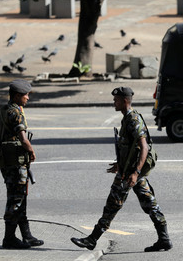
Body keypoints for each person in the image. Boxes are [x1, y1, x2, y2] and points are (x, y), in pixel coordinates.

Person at [71, 87, 172, 252]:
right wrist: (120, 163)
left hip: (130, 174)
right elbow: (130, 148)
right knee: (150, 204)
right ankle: (164, 239)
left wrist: (135, 173)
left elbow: (144, 147)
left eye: (116, 100)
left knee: (112, 205)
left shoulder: (133, 120)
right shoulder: (127, 118)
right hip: (129, 171)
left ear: (125, 101)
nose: (114, 103)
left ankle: (92, 240)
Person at [0, 79, 44, 249]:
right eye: (26, 95)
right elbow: (23, 139)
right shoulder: (16, 112)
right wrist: (31, 151)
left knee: (19, 197)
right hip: (16, 163)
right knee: (15, 200)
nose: (28, 98)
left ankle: (27, 236)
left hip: (6, 162)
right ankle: (9, 238)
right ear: (17, 96)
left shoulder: (0, 111)